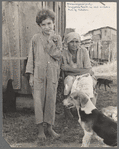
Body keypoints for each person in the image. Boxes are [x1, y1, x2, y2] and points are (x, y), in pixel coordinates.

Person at [26, 9, 62, 142]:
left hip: (52, 73)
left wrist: (52, 41)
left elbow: (58, 56)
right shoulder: (35, 38)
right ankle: (41, 130)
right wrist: (30, 75)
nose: (47, 27)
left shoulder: (57, 38)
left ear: (54, 23)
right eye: (43, 25)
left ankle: (50, 128)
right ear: (39, 26)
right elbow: (31, 57)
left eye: (49, 24)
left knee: (51, 100)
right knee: (38, 101)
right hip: (38, 74)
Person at [61, 32, 97, 106]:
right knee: (68, 84)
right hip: (71, 76)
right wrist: (81, 71)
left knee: (87, 83)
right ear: (67, 42)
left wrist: (69, 68)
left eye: (76, 42)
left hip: (85, 76)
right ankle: (67, 108)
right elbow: (65, 72)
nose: (74, 44)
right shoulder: (64, 53)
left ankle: (90, 109)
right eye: (72, 42)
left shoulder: (84, 51)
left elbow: (88, 70)